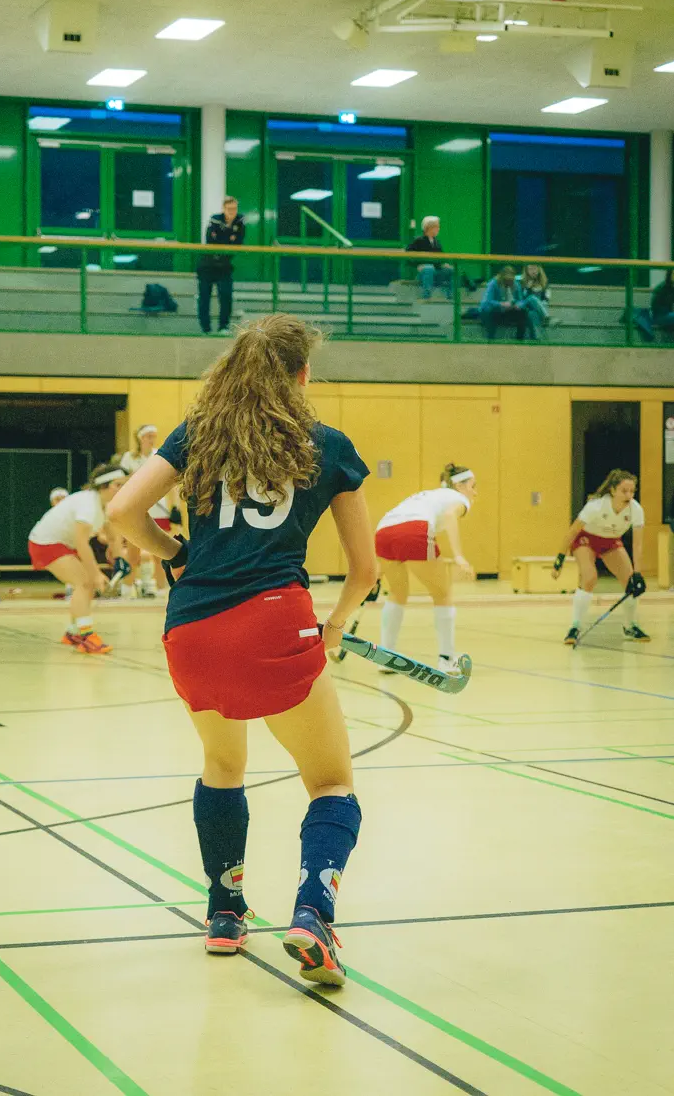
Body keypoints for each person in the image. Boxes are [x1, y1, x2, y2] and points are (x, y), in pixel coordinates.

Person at [107, 314, 377, 986]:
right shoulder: (328, 445)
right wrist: (337, 623)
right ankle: (311, 913)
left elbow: (121, 513)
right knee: (331, 784)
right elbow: (364, 570)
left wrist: (175, 553)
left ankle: (225, 913)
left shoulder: (195, 434)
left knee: (222, 764)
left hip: (192, 626)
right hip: (273, 622)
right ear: (302, 375)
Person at [374, 465, 476, 674]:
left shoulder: (430, 495)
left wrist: (376, 573)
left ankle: (385, 657)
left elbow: (396, 527)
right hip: (413, 529)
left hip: (383, 530)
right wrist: (458, 555)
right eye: (473, 486)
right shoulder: (457, 499)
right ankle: (447, 659)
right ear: (459, 485)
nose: (475, 492)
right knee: (443, 593)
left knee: (397, 592)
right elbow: (449, 516)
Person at [28, 463, 126, 654]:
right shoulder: (88, 505)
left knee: (85, 584)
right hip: (46, 543)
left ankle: (73, 632)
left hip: (62, 544)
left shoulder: (106, 505)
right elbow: (82, 543)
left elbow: (113, 536)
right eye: (118, 485)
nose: (122, 490)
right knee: (85, 583)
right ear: (103, 486)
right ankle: (87, 637)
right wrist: (96, 574)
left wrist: (120, 559)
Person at [553, 470, 648, 644]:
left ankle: (630, 626)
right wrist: (559, 559)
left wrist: (638, 573)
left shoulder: (636, 510)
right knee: (589, 578)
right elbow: (572, 531)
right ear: (613, 490)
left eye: (632, 491)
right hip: (586, 539)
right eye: (624, 491)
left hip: (611, 542)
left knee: (630, 582)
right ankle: (575, 626)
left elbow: (638, 544)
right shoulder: (596, 506)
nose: (629, 495)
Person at [119, 425, 182, 598]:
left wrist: (174, 507)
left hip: (159, 512)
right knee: (133, 554)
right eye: (148, 436)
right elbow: (122, 481)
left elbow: (172, 482)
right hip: (136, 510)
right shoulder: (128, 458)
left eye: (154, 436)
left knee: (161, 554)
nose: (151, 439)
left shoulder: (159, 455)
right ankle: (127, 590)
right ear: (140, 438)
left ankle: (162, 590)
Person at [197, 196, 245, 336]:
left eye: (235, 209)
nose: (232, 212)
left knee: (226, 296)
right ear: (224, 209)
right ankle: (205, 328)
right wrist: (229, 238)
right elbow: (211, 240)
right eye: (229, 209)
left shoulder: (240, 222)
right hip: (207, 265)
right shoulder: (215, 219)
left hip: (224, 266)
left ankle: (223, 326)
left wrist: (224, 238)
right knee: (204, 297)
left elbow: (237, 243)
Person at [404, 216, 452, 300]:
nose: (438, 229)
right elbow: (407, 256)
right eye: (436, 227)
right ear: (429, 228)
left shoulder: (437, 242)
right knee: (428, 268)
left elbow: (440, 258)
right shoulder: (418, 241)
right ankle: (426, 296)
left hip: (436, 272)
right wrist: (418, 265)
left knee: (451, 270)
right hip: (424, 273)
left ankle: (451, 295)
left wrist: (444, 264)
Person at [479, 266, 529, 340]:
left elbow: (521, 300)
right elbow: (488, 301)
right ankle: (490, 340)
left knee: (523, 313)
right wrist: (501, 304)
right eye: (506, 280)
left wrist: (518, 305)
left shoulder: (516, 284)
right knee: (490, 312)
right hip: (494, 310)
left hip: (508, 311)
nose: (508, 283)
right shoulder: (493, 283)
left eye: (510, 280)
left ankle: (519, 340)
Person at [518, 264, 550, 340]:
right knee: (532, 298)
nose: (533, 271)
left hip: (536, 310)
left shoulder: (545, 283)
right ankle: (546, 316)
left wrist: (543, 302)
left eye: (535, 269)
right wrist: (527, 288)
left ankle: (536, 339)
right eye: (530, 269)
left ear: (539, 270)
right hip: (524, 307)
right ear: (526, 271)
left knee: (532, 314)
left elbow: (546, 298)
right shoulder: (522, 282)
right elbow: (521, 299)